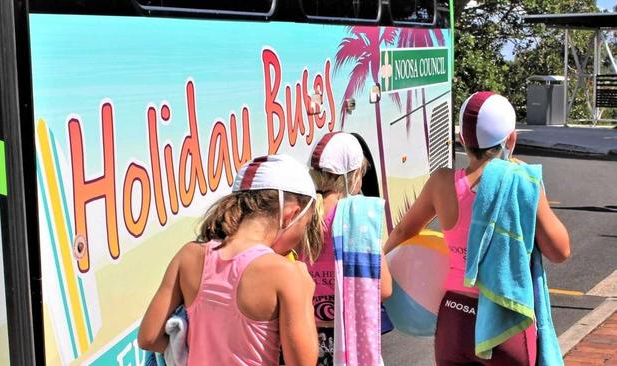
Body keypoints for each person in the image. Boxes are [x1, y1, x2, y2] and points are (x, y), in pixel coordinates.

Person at [384, 92, 570, 366]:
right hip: (506, 318)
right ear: (511, 139)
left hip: (454, 319)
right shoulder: (521, 182)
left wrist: (372, 268)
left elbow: (401, 232)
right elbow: (560, 250)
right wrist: (534, 191)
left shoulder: (441, 182)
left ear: (462, 140)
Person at [138, 154, 322, 366]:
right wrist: (305, 293)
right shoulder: (287, 274)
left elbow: (148, 338)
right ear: (291, 215)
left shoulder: (189, 255)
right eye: (305, 225)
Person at [303, 131, 393, 365]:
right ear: (352, 176)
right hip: (347, 337)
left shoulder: (299, 214)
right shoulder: (358, 216)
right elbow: (383, 289)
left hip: (304, 336)